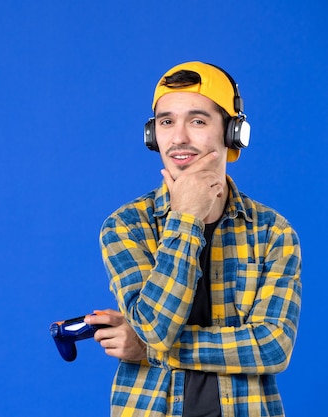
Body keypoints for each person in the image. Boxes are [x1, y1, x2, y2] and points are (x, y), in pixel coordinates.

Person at [85, 61, 302, 417]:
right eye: (166, 121)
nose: (179, 137)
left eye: (198, 121)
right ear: (152, 134)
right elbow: (156, 328)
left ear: (233, 133)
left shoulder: (273, 233)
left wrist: (149, 350)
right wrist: (186, 220)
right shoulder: (125, 226)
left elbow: (272, 347)